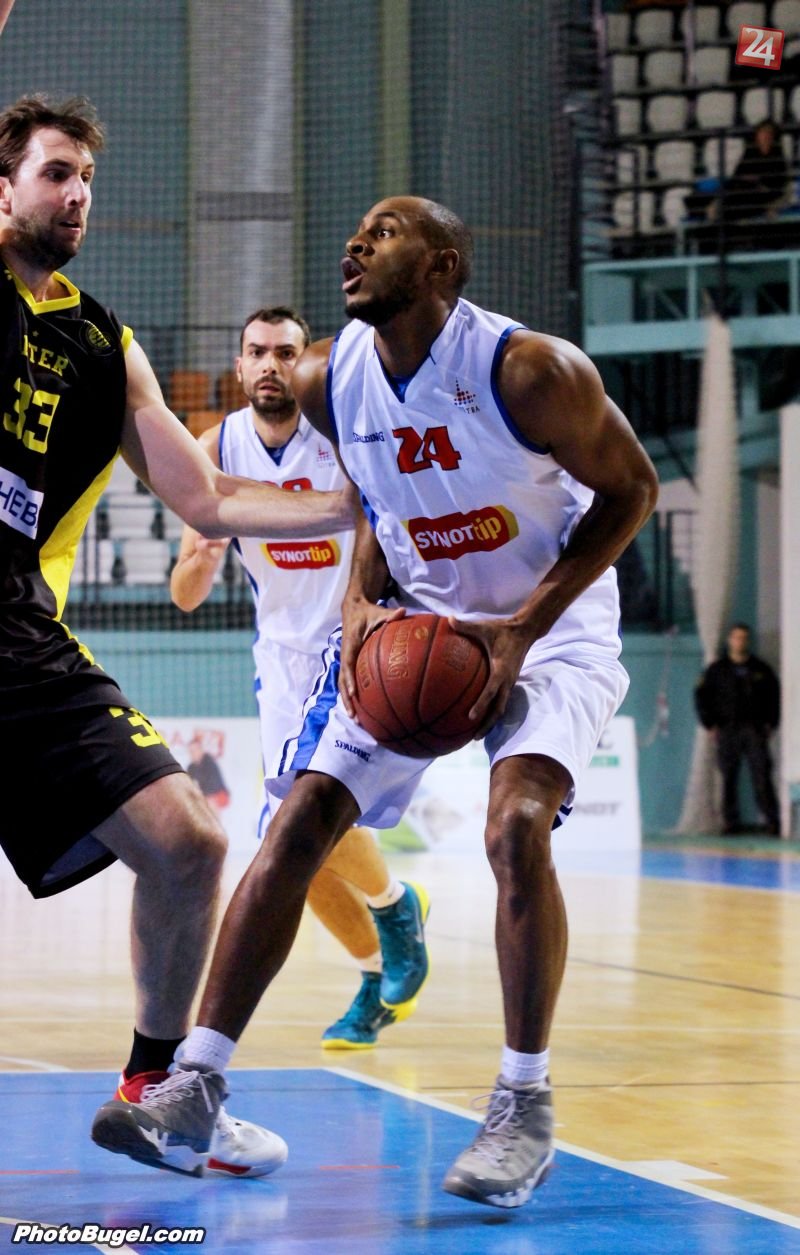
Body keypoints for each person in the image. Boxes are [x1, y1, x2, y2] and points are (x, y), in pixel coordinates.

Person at [92, 195, 659, 1208]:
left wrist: (521, 632)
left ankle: (522, 1102)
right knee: (297, 819)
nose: (356, 242)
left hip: (549, 626)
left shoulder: (529, 371)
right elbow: (371, 495)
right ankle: (195, 1082)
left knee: (514, 826)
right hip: (418, 624)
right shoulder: (328, 379)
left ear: (442, 267)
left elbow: (633, 492)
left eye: (386, 231)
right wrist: (360, 601)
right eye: (355, 230)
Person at [0, 92, 356, 1178]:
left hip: (15, 634)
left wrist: (362, 503)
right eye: (55, 172)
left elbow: (206, 497)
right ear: (2, 187)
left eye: (86, 178)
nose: (77, 194)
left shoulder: (105, 343)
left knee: (187, 842)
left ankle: (156, 1094)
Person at [169, 305, 430, 1049]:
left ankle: (393, 905)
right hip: (278, 659)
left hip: (353, 641)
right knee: (299, 858)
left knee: (291, 824)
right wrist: (201, 558)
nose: (270, 365)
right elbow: (184, 595)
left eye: (285, 352)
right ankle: (378, 968)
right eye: (257, 352)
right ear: (239, 364)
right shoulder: (215, 447)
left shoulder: (341, 431)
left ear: (305, 362)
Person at [694, 623, 780, 836]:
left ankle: (771, 820)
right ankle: (730, 822)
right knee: (728, 777)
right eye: (736, 637)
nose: (739, 642)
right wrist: (709, 723)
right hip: (727, 729)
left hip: (754, 729)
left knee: (761, 774)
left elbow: (774, 697)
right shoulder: (717, 670)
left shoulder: (760, 669)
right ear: (730, 640)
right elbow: (702, 697)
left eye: (743, 638)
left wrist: (771, 723)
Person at [715, 120, 791, 224]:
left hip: (764, 195)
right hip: (744, 192)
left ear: (774, 137)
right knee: (729, 199)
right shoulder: (749, 153)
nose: (765, 136)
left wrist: (759, 181)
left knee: (740, 203)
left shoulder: (778, 157)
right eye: (762, 132)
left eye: (769, 133)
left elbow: (778, 184)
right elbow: (737, 176)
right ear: (757, 135)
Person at [185, 737, 230, 814]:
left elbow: (213, 786)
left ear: (201, 750)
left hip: (220, 795)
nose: (193, 753)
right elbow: (188, 785)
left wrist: (200, 795)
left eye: (195, 750)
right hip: (203, 797)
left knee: (209, 801)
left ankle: (213, 820)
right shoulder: (191, 767)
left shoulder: (209, 762)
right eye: (191, 751)